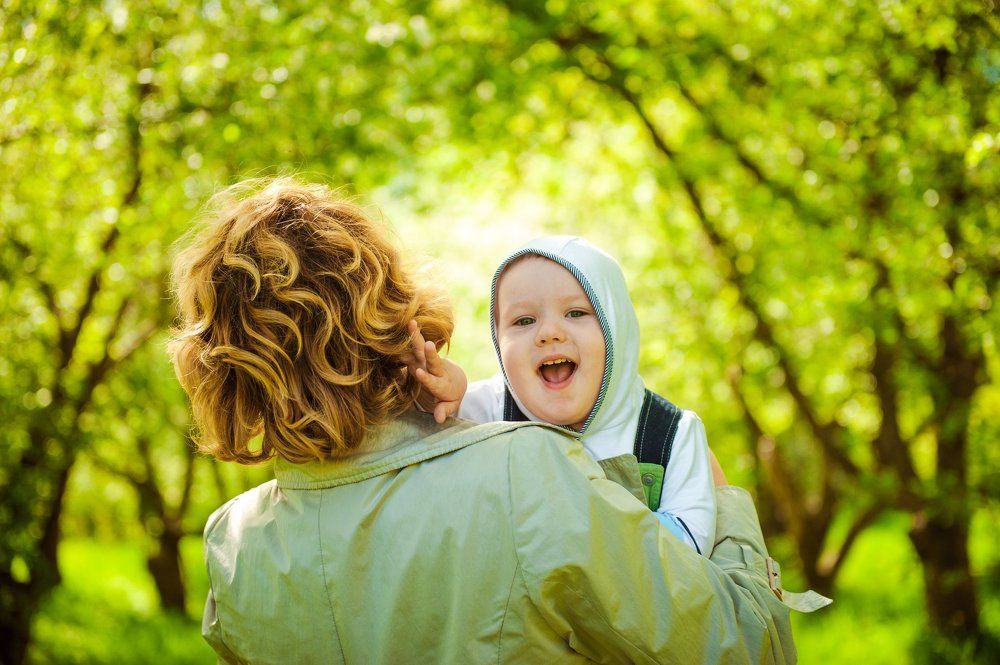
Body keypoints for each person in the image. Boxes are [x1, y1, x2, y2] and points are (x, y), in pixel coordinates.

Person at [170, 177, 795, 663]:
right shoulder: (527, 471)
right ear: (388, 311)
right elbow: (743, 648)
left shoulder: (236, 543)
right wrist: (725, 502)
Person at [408, 236, 715, 554]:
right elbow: (404, 450)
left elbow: (693, 547)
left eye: (576, 313)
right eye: (524, 321)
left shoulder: (668, 434)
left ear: (617, 326)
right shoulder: (483, 413)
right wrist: (431, 395)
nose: (549, 333)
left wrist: (573, 514)